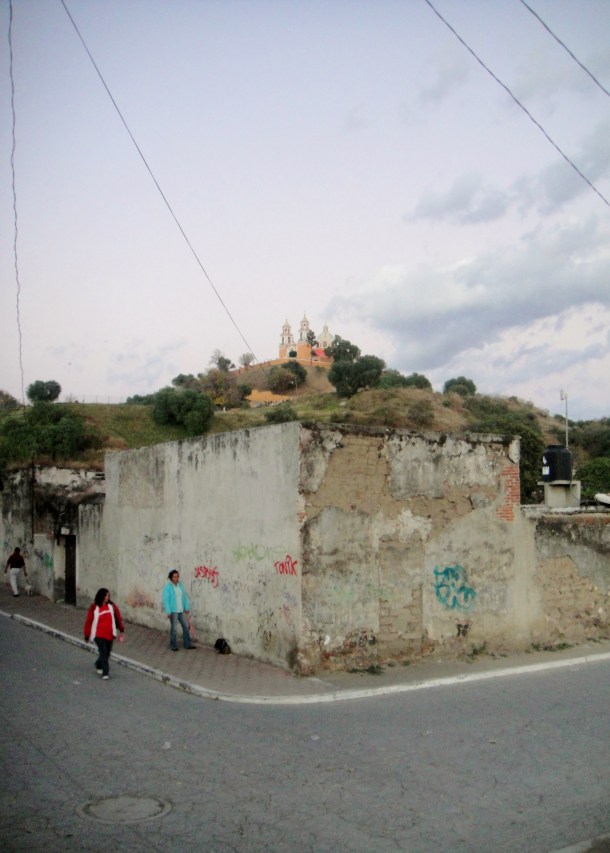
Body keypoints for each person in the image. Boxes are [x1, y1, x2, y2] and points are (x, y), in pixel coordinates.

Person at [84, 588, 125, 680]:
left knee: (107, 653)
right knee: (103, 651)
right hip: (98, 635)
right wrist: (87, 635)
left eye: (108, 596)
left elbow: (118, 618)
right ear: (100, 596)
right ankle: (105, 673)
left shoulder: (112, 606)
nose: (107, 597)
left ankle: (98, 664)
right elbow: (89, 622)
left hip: (110, 634)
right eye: (105, 595)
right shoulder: (94, 607)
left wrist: (121, 630)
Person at [162, 570, 195, 651]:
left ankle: (187, 644)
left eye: (177, 576)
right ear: (171, 577)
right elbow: (166, 600)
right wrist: (168, 611)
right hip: (173, 611)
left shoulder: (180, 585)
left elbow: (184, 597)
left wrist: (186, 607)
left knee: (186, 626)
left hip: (181, 610)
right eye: (174, 577)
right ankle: (173, 645)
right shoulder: (168, 587)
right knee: (174, 628)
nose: (176, 578)